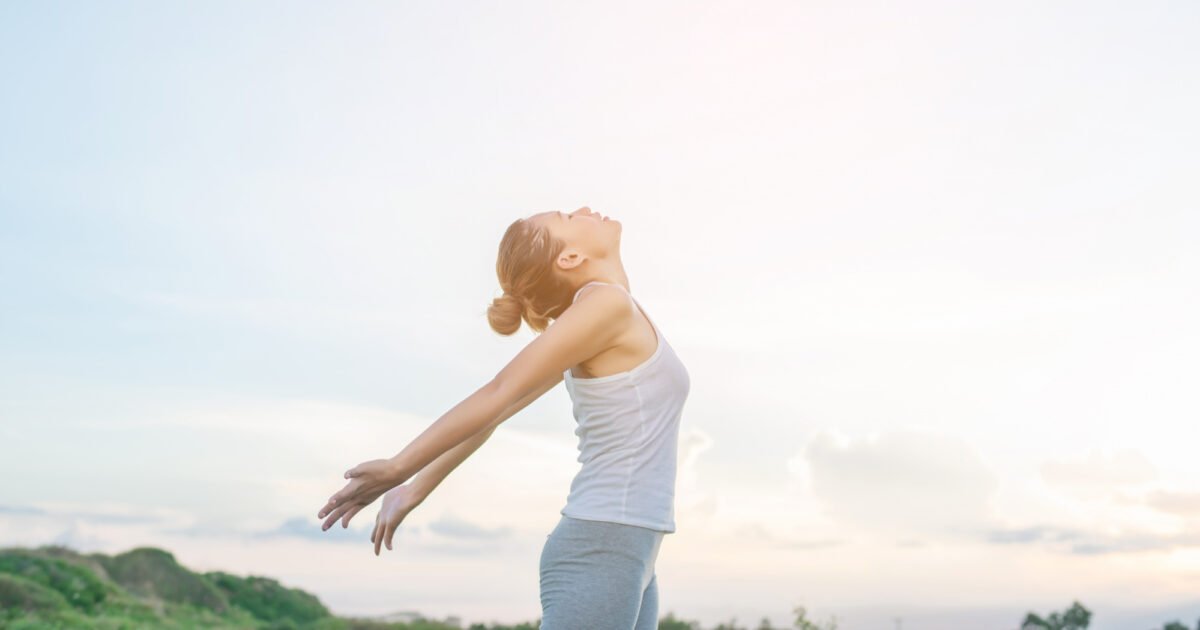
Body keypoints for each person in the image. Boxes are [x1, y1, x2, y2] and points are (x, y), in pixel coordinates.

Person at [316, 206, 691, 629]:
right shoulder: (607, 305)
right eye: (568, 217)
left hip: (631, 548)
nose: (584, 209)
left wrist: (415, 487)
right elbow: (500, 393)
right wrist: (400, 467)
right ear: (568, 259)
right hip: (602, 545)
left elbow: (498, 413)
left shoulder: (605, 316)